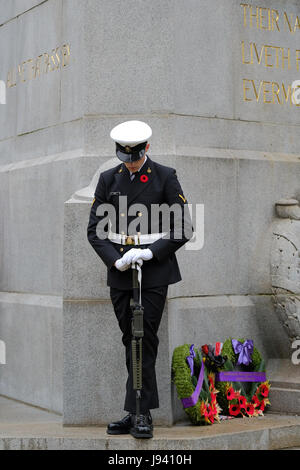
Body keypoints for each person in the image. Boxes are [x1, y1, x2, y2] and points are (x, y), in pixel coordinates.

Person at [87, 120, 193, 439]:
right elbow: (95, 230)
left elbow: (183, 227)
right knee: (128, 338)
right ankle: (134, 410)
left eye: (135, 157)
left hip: (154, 271)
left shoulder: (165, 176)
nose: (130, 163)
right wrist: (115, 258)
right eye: (125, 158)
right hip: (121, 271)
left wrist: (150, 252)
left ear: (146, 149)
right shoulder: (109, 179)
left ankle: (141, 412)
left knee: (142, 337)